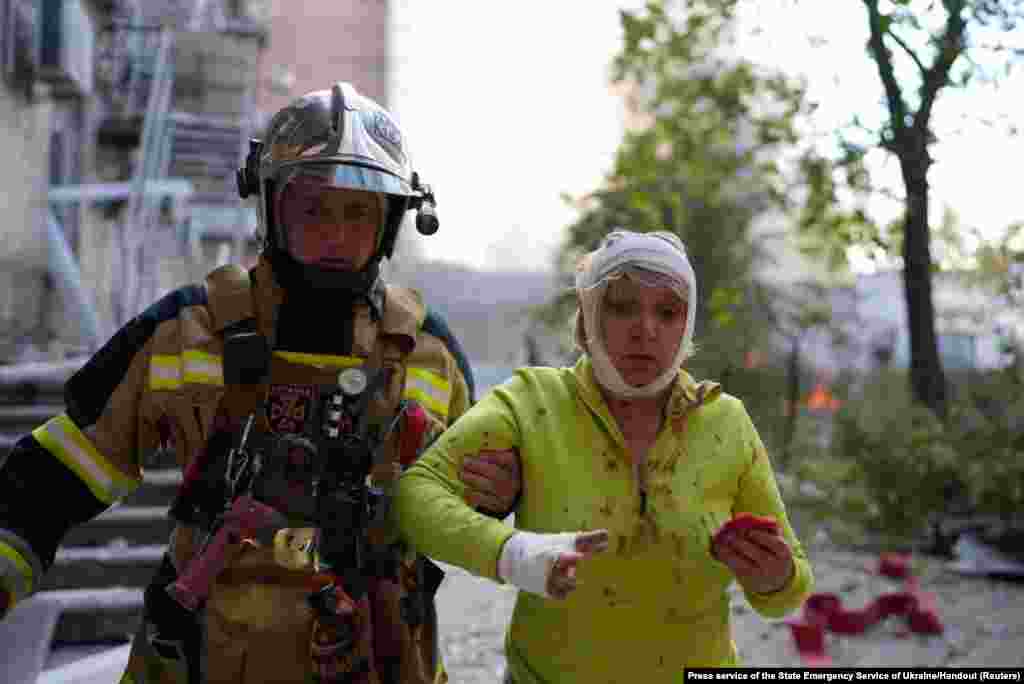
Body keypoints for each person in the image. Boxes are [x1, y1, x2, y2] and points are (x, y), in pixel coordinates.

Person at [0, 82, 521, 683]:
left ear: (391, 222)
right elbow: (55, 477)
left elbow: (471, 508)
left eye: (358, 213)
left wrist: (499, 494)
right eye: (313, 210)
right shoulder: (185, 333)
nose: (336, 235)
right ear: (271, 207)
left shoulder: (429, 355)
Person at [393, 229, 814, 680]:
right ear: (587, 317)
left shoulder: (725, 422)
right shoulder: (532, 403)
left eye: (668, 312)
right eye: (622, 307)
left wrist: (776, 577)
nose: (645, 329)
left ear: (688, 324)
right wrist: (512, 553)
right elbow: (416, 495)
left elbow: (792, 587)